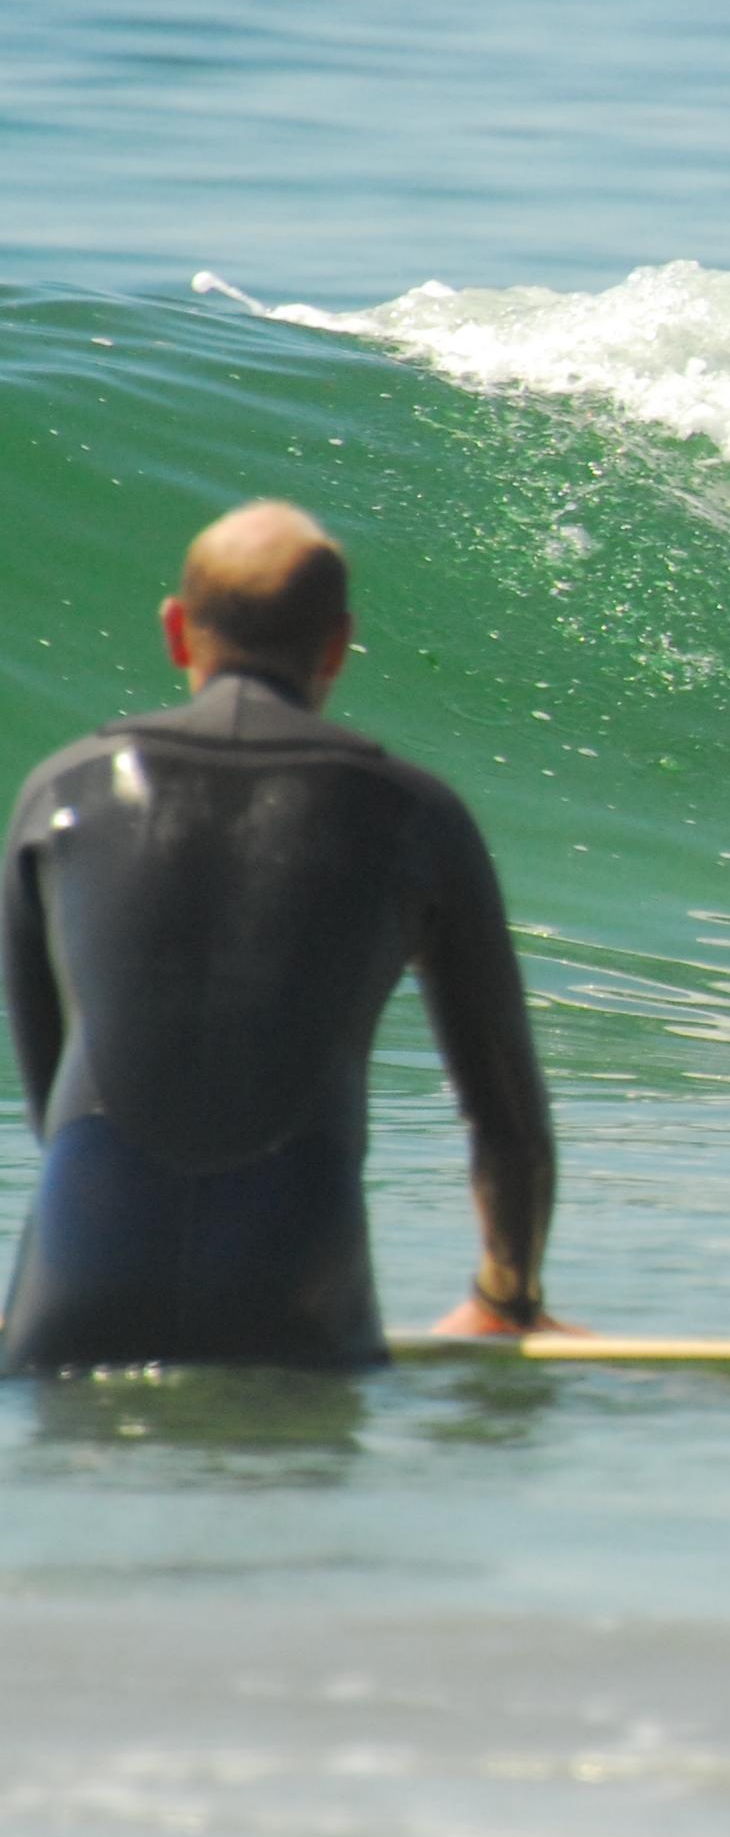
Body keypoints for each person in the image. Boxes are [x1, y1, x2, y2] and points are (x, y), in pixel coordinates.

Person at [2, 500, 564, 1371]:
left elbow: (50, 1098)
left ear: (177, 630)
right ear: (338, 644)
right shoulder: (413, 815)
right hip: (298, 1314)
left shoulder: (57, 792)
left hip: (71, 1306)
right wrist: (509, 1296)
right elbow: (507, 1117)